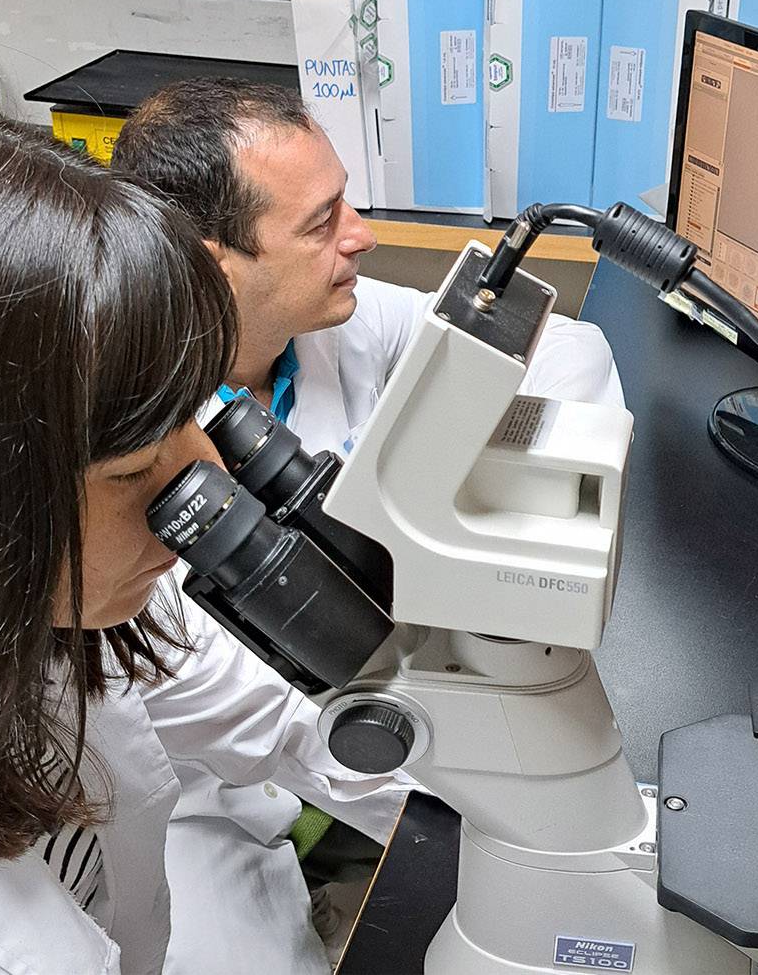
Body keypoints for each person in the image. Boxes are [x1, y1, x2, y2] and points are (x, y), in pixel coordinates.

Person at [110, 77, 628, 968]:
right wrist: (519, 804)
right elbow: (264, 717)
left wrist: (480, 538)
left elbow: (568, 348)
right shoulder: (126, 447)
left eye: (346, 198)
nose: (361, 235)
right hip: (200, 797)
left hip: (366, 720)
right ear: (207, 261)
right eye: (320, 223)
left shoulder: (320, 323)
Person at [0, 101, 331, 974]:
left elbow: (300, 727)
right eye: (131, 470)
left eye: (200, 410)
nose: (205, 484)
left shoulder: (82, 607)